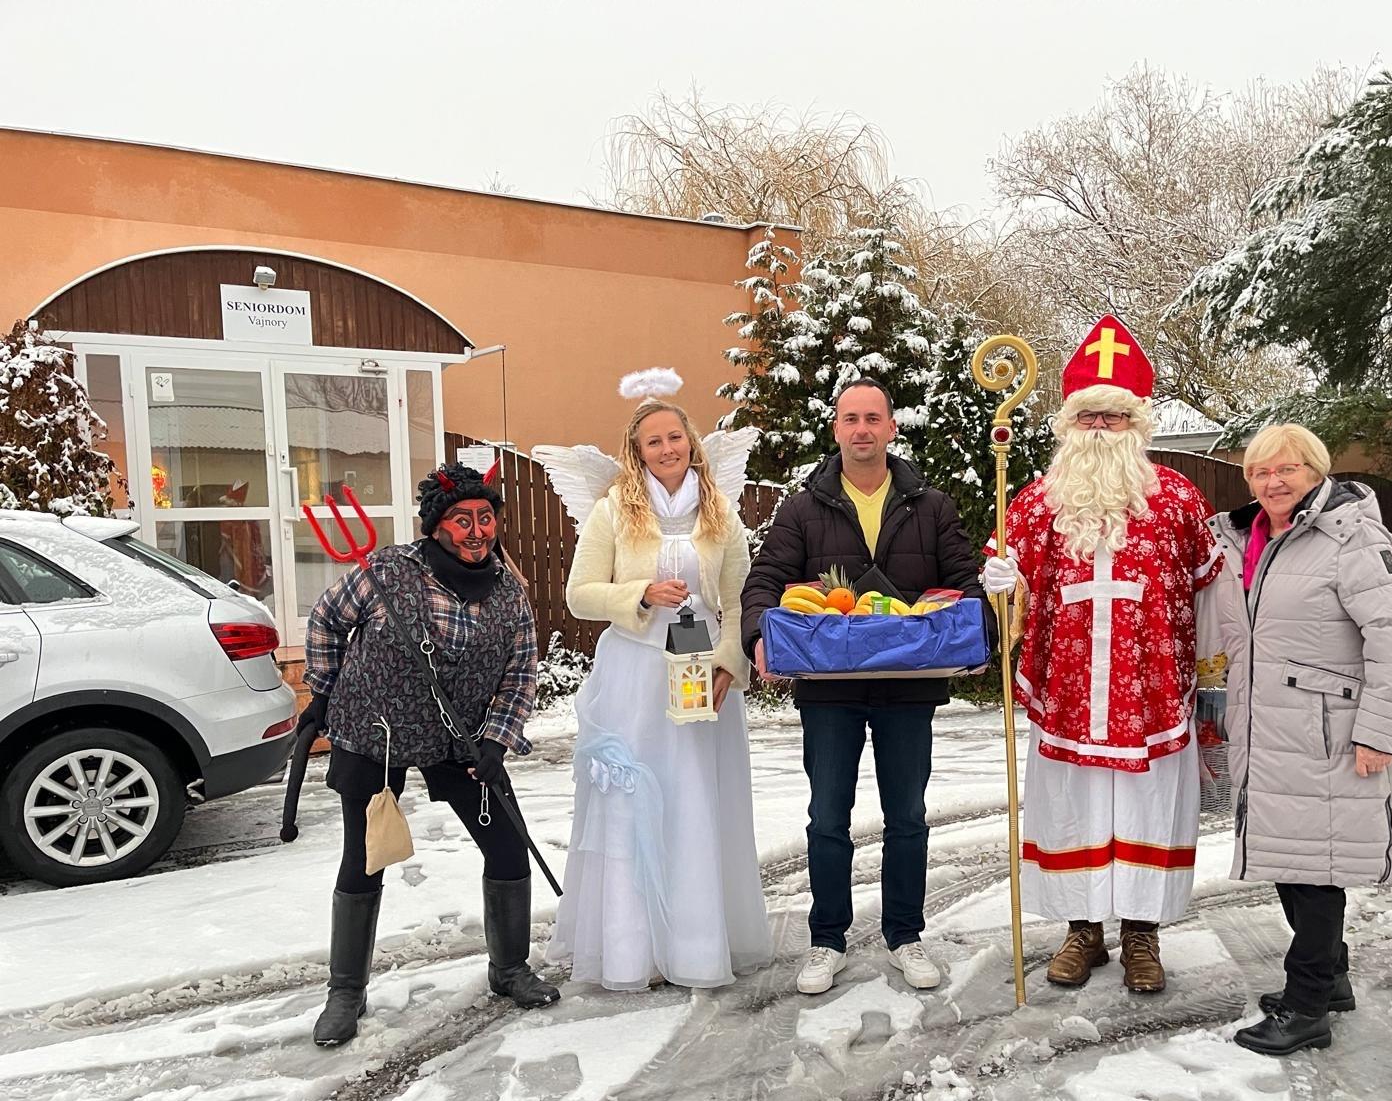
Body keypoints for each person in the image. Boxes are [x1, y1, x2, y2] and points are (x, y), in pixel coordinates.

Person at [982, 315, 1223, 994]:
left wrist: (1209, 679)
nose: (1100, 431)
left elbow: (1208, 593)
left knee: (1146, 808)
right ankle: (1082, 930)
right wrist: (1005, 586)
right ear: (1069, 426)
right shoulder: (1037, 502)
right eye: (1089, 418)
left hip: (1151, 694)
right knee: (1075, 807)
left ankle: (1141, 934)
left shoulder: (1177, 499)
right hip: (1069, 694)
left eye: (1115, 419)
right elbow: (1009, 586)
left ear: (1137, 427)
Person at [741, 376, 993, 996]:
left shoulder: (929, 506)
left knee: (907, 816)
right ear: (836, 430)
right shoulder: (802, 508)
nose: (862, 429)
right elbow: (766, 578)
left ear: (891, 427)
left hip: (909, 688)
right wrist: (758, 635)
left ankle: (905, 935)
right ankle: (827, 940)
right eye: (850, 419)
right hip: (830, 690)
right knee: (828, 817)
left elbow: (964, 580)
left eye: (872, 418)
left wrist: (978, 631)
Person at [300, 462, 559, 1048]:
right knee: (364, 857)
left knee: (506, 844)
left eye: (485, 518)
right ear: (437, 527)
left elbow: (521, 671)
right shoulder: (388, 571)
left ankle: (510, 968)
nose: (476, 531)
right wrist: (324, 689)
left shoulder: (509, 593)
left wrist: (496, 740)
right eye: (461, 520)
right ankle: (346, 991)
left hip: (459, 737)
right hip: (377, 730)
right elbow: (326, 620)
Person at [543, 369, 772, 990]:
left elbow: (738, 597)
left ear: (691, 443)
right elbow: (579, 595)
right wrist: (640, 592)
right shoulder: (614, 509)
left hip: (700, 677)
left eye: (676, 437)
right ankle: (630, 949)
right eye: (654, 442)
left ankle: (697, 945)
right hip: (635, 675)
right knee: (634, 804)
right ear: (636, 451)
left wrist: (731, 662)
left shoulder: (721, 513)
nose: (668, 449)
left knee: (695, 800)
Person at [1200, 424, 1392, 1056]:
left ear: (1316, 472)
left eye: (1287, 470)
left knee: (1317, 872)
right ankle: (1333, 981)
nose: (1272, 482)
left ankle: (1306, 1007)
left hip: (1329, 734)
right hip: (1268, 729)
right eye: (1259, 472)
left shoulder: (1350, 536)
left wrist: (1380, 732)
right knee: (1293, 864)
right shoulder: (1247, 537)